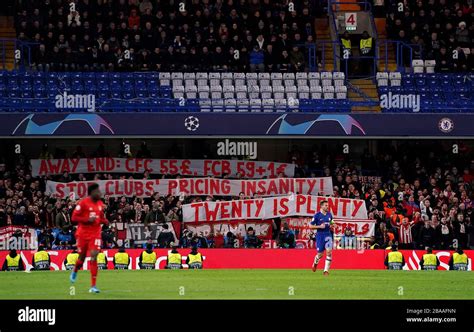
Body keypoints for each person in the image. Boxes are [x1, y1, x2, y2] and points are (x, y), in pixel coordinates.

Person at [69, 183, 109, 293]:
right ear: (92, 193)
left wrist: (104, 221)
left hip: (95, 234)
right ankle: (75, 270)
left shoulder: (100, 203)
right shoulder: (83, 203)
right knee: (81, 258)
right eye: (97, 191)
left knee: (94, 256)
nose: (100, 193)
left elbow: (99, 217)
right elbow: (74, 217)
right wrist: (87, 220)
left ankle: (93, 286)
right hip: (82, 234)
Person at [310, 200, 334, 275]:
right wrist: (319, 226)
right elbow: (310, 226)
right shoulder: (317, 215)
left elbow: (331, 222)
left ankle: (326, 270)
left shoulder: (329, 214)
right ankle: (315, 263)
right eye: (326, 205)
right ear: (322, 206)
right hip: (320, 235)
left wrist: (333, 224)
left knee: (329, 252)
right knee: (320, 254)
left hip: (328, 234)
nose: (327, 207)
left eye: (328, 205)